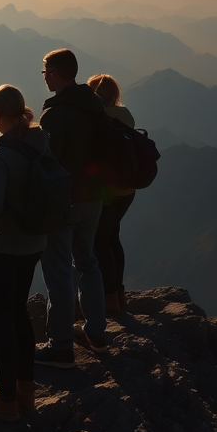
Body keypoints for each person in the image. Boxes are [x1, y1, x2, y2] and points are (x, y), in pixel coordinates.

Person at [0, 85, 49, 422]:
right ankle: (27, 390)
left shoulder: (0, 155)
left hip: (2, 248)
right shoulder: (41, 142)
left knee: (2, 321)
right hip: (34, 243)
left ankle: (6, 399)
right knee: (19, 313)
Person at [37, 47, 108, 365]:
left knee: (59, 272)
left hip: (64, 201)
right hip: (94, 197)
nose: (44, 78)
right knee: (88, 262)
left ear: (54, 73)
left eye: (45, 72)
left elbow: (48, 161)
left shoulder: (55, 113)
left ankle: (60, 344)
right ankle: (97, 331)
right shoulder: (95, 106)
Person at [87, 73, 136, 315]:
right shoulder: (125, 116)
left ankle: (110, 299)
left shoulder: (97, 118)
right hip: (128, 188)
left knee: (100, 242)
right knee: (113, 238)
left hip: (107, 190)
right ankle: (119, 293)